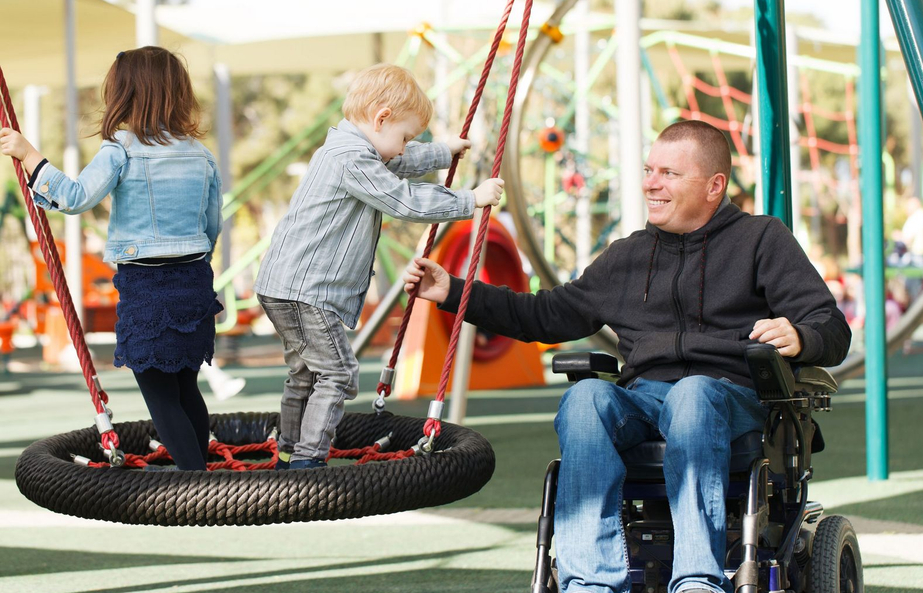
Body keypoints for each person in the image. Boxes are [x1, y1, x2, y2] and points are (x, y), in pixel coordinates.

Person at [404, 120, 851, 593]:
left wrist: (800, 335)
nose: (650, 184)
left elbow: (831, 326)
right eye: (648, 169)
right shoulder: (627, 256)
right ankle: (590, 583)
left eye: (669, 174)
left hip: (729, 399)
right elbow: (544, 316)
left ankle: (698, 581)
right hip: (645, 399)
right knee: (587, 400)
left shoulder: (762, 240)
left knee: (694, 395)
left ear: (714, 186)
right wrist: (453, 291)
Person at [254, 64, 504, 470]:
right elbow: (402, 199)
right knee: (337, 373)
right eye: (405, 136)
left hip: (283, 286)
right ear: (381, 117)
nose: (406, 147)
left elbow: (396, 159)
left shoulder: (346, 147)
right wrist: (469, 200)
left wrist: (443, 151)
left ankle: (288, 452)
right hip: (306, 292)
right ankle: (306, 463)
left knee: (304, 372)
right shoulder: (353, 160)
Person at [1, 46, 223, 472]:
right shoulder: (200, 153)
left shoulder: (121, 149)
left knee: (159, 393)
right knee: (185, 387)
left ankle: (196, 481)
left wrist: (30, 155)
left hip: (147, 286)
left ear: (126, 93)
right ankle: (203, 473)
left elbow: (75, 197)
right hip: (194, 279)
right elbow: (213, 223)